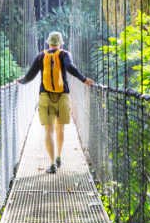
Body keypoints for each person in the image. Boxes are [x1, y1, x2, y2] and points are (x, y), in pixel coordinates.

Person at [16, 31, 95, 174]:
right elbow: (70, 68)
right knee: (60, 128)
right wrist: (84, 79)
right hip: (62, 95)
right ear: (60, 43)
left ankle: (52, 163)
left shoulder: (41, 56)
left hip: (45, 96)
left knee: (48, 130)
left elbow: (30, 75)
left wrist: (21, 81)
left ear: (48, 43)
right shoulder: (65, 54)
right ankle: (59, 156)